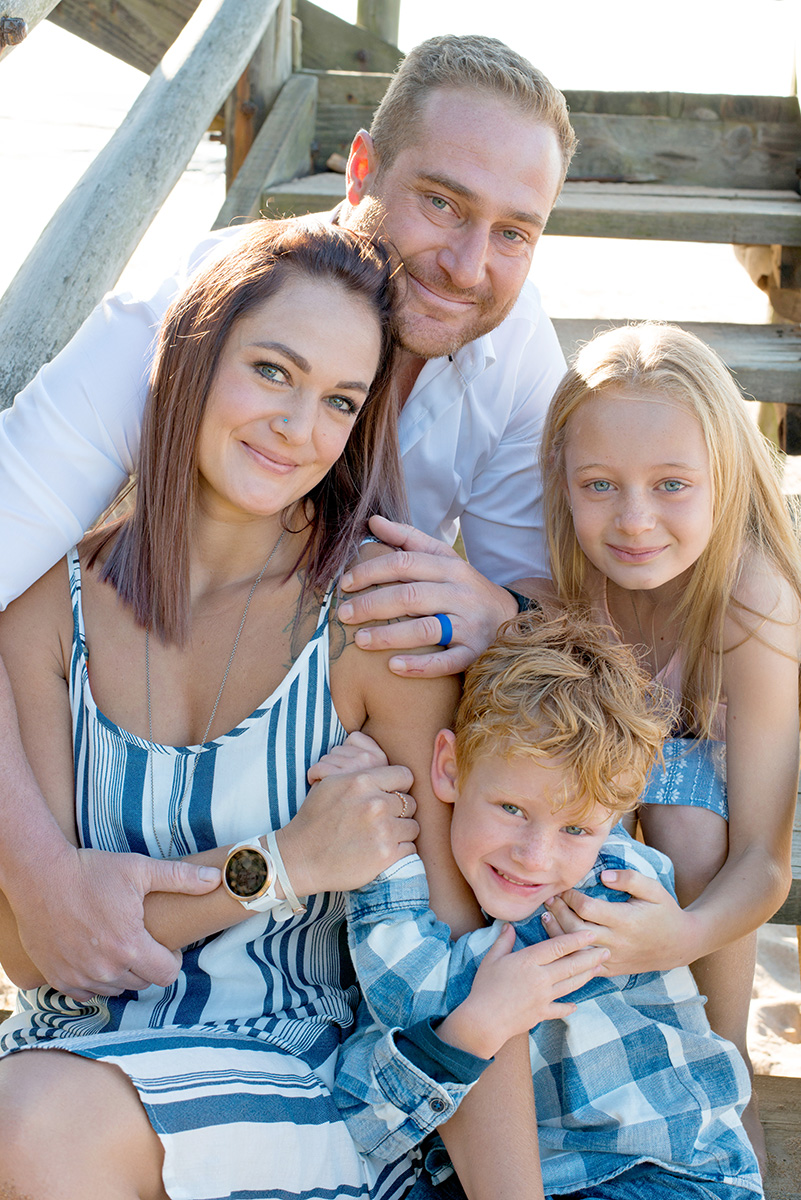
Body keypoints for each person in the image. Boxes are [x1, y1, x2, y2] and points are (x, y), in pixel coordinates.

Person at [0, 217, 578, 1199]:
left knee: (34, 1128)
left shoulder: (370, 626)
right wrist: (285, 866)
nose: (299, 428)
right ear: (192, 356)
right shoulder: (47, 612)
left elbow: (461, 965)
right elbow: (37, 948)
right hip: (60, 1057)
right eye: (272, 372)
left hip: (301, 1085)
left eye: (339, 402)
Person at [0, 33, 577, 999]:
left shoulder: (514, 353)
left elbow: (555, 619)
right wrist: (35, 867)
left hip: (337, 758)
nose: (469, 265)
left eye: (515, 231)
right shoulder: (186, 320)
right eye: (440, 202)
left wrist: (503, 617)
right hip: (136, 727)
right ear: (360, 170)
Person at [322, 612, 763, 1199]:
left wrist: (381, 857)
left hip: (656, 1176)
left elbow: (422, 995)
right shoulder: (548, 878)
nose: (534, 857)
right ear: (449, 769)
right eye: (511, 809)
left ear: (615, 816)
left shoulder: (611, 895)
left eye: (577, 830)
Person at [520, 322, 801, 1162]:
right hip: (592, 835)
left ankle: (722, 1087)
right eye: (599, 484)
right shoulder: (566, 582)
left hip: (701, 867)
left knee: (687, 814)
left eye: (671, 484)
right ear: (562, 482)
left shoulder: (749, 602)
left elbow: (763, 861)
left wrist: (675, 939)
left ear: (724, 475)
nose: (634, 521)